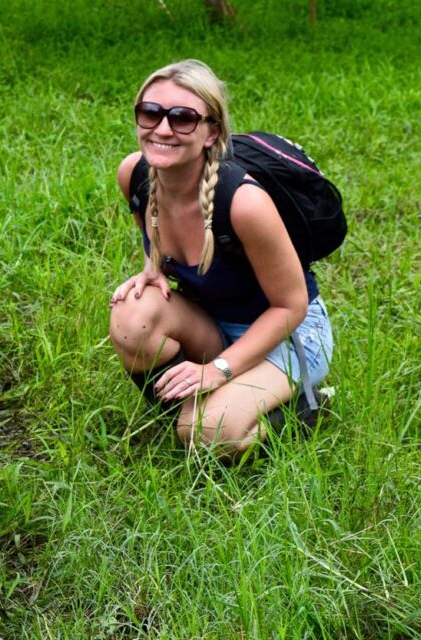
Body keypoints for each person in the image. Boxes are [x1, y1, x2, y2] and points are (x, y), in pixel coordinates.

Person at [108, 59, 334, 458]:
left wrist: (218, 369)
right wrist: (152, 268)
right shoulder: (134, 173)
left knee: (209, 435)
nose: (162, 129)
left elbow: (291, 305)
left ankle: (305, 408)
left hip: (287, 336)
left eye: (183, 118)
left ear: (211, 131)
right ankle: (188, 412)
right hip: (214, 323)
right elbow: (152, 229)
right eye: (150, 113)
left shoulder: (245, 203)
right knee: (131, 316)